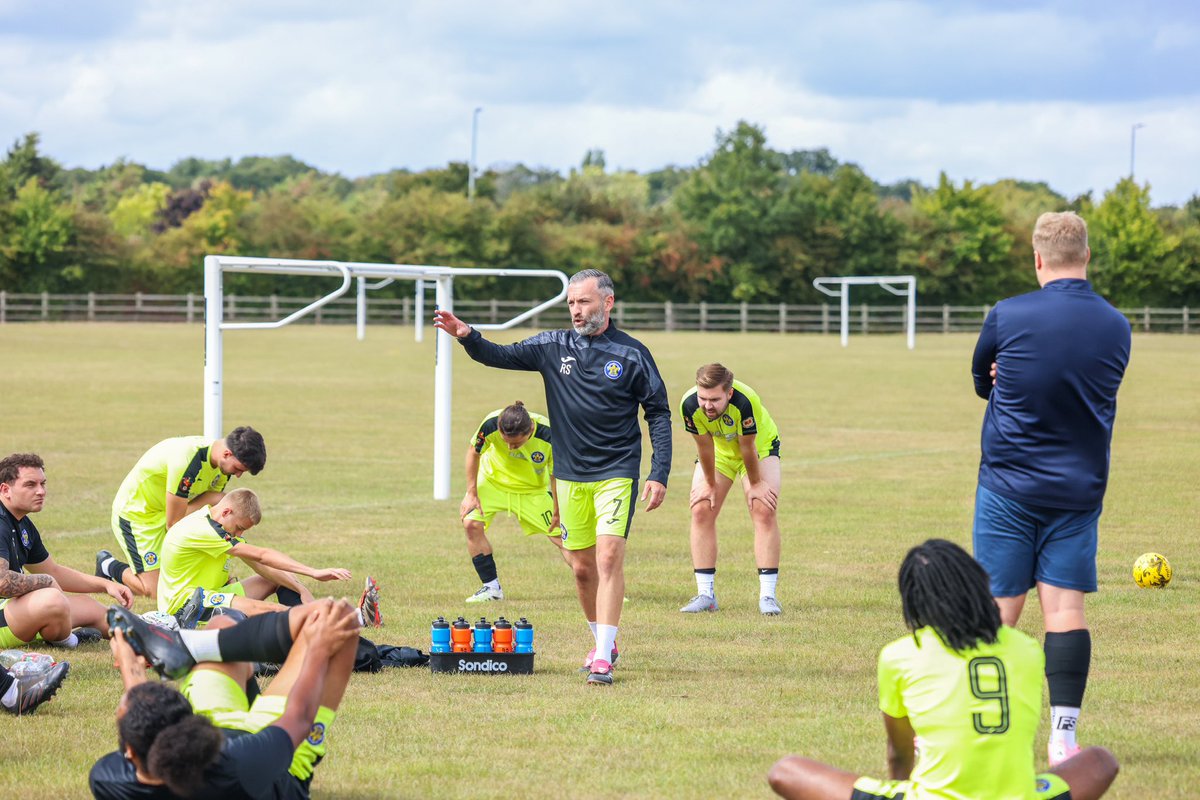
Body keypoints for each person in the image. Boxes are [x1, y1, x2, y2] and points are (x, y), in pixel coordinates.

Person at [434, 269, 672, 686]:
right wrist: (466, 334)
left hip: (617, 471)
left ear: (607, 302)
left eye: (583, 302)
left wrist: (659, 472)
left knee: (609, 556)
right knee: (582, 569)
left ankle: (602, 658)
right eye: (571, 304)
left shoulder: (633, 354)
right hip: (569, 474)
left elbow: (658, 414)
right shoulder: (551, 345)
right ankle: (603, 639)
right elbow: (499, 355)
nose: (576, 311)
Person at [767, 539, 1119, 800]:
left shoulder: (901, 654)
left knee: (786, 770)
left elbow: (900, 752)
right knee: (1101, 761)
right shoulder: (1025, 647)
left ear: (915, 603)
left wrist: (901, 787)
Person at [970, 211, 1131, 766]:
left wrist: (1000, 381)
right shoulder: (1117, 325)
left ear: (1037, 258)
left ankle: (981, 725)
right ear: (1086, 256)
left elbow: (979, 379)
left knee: (997, 610)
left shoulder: (1007, 313)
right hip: (1079, 491)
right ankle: (1064, 738)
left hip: (1008, 486)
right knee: (1064, 612)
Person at [90, 598, 361, 799]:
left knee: (221, 625)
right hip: (275, 749)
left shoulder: (110, 780)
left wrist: (130, 666)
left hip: (211, 734)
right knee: (338, 618)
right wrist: (317, 649)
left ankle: (183, 647)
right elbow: (299, 718)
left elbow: (143, 722)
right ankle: (188, 645)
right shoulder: (237, 767)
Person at [98, 427, 268, 602]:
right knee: (156, 592)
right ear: (227, 454)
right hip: (139, 515)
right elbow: (174, 526)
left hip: (170, 510)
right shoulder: (186, 460)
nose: (238, 475)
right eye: (239, 469)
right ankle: (108, 565)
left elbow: (212, 520)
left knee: (220, 501)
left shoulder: (222, 468)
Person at [156, 488, 354, 628]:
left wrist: (301, 589)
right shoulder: (203, 530)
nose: (240, 535)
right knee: (273, 610)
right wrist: (313, 572)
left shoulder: (214, 521)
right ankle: (312, 624)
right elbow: (262, 555)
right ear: (226, 512)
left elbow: (259, 563)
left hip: (212, 592)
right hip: (186, 603)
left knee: (276, 580)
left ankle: (311, 621)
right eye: (240, 528)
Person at [1, 453, 133, 652]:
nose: (41, 491)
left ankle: (156, 632)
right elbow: (2, 582)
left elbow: (53, 571)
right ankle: (70, 640)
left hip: (13, 610)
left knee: (91, 608)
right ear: (5, 489)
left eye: (42, 484)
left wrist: (105, 585)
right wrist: (45, 581)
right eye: (30, 485)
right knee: (53, 601)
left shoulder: (23, 524)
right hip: (7, 615)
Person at [678, 363, 783, 615]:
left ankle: (768, 597)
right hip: (720, 451)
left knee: (762, 508)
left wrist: (756, 485)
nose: (707, 405)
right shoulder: (689, 404)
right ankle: (706, 595)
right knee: (701, 508)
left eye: (715, 399)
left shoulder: (746, 401)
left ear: (729, 393)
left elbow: (748, 448)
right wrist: (711, 485)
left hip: (760, 447)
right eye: (703, 398)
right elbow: (703, 447)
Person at [460, 401, 569, 603]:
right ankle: (492, 589)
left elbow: (556, 475)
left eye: (516, 443)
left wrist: (558, 509)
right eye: (505, 441)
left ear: (530, 431)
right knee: (471, 524)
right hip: (493, 482)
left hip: (533, 490)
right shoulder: (491, 423)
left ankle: (601, 587)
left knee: (563, 536)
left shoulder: (550, 434)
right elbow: (474, 452)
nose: (510, 447)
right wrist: (471, 493)